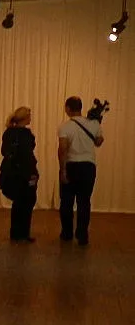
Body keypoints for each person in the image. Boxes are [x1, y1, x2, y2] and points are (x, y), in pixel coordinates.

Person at [58, 96, 104, 245]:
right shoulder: (94, 123)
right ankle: (82, 235)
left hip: (72, 165)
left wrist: (62, 170)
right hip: (88, 167)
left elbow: (63, 149)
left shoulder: (65, 127)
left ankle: (67, 233)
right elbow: (98, 142)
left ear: (68, 108)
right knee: (84, 202)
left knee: (66, 201)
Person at [0, 107, 39, 242]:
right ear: (25, 118)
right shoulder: (26, 135)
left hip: (12, 172)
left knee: (18, 202)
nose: (31, 118)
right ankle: (23, 233)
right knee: (27, 202)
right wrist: (32, 173)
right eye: (29, 115)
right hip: (24, 172)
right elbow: (27, 156)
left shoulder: (8, 133)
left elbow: (5, 151)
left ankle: (16, 233)